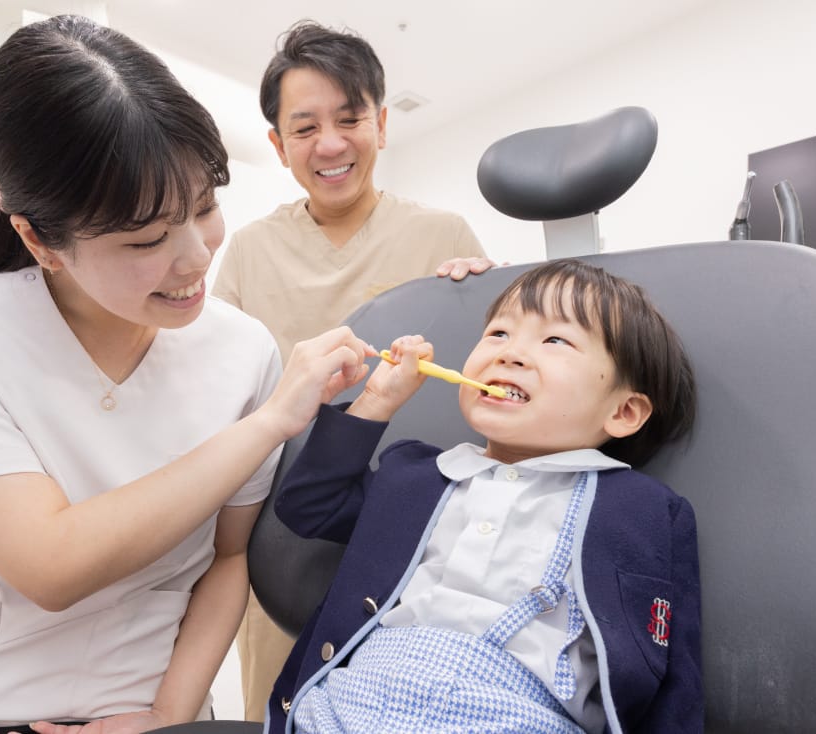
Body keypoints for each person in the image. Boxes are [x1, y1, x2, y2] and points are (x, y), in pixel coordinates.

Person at [0, 15, 374, 734]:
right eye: (147, 239)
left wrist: (164, 718)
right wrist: (271, 422)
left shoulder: (241, 349)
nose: (195, 256)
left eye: (205, 207)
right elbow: (51, 565)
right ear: (37, 238)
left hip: (142, 710)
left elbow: (228, 559)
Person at [267, 259, 703, 733]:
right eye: (498, 333)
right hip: (357, 703)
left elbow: (674, 675)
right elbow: (308, 505)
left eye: (555, 340)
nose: (509, 354)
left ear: (623, 412)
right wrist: (377, 399)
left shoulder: (644, 510)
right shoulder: (414, 474)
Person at [211, 20, 494, 718]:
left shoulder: (443, 237)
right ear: (277, 146)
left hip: (414, 530)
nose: (331, 144)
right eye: (304, 127)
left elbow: (496, 381)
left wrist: (482, 295)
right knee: (283, 704)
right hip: (284, 529)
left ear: (382, 124)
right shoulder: (249, 251)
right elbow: (216, 395)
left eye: (350, 118)